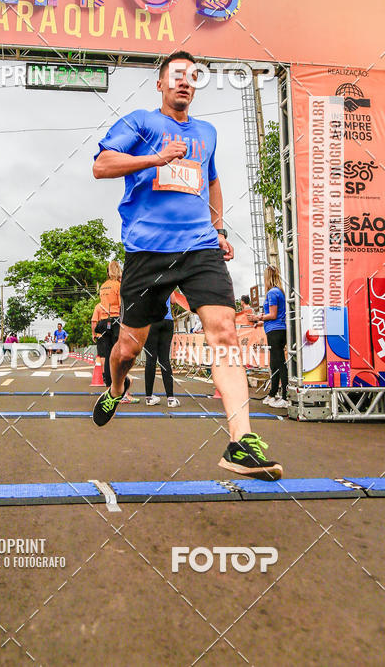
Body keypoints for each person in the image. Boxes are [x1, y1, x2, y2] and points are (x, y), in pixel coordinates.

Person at [91, 50, 282, 480]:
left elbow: (212, 179)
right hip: (147, 252)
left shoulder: (207, 132)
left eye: (191, 77)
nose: (183, 82)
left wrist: (216, 229)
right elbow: (101, 165)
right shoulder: (140, 123)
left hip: (199, 249)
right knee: (127, 350)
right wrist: (155, 159)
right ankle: (116, 388)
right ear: (160, 84)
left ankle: (240, 442)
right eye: (175, 76)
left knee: (225, 330)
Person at [94, 261, 139, 403]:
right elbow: (123, 305)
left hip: (104, 320)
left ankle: (110, 389)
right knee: (120, 356)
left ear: (108, 271)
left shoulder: (103, 286)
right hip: (116, 321)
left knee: (108, 356)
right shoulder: (119, 286)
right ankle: (122, 392)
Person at [250, 266, 288, 408]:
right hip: (277, 329)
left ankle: (285, 396)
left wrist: (257, 317)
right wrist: (260, 321)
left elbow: (272, 315)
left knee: (279, 363)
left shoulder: (272, 293)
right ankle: (273, 393)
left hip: (275, 331)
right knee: (274, 363)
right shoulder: (279, 292)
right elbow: (275, 315)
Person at [144, 295, 179, 407]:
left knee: (151, 359)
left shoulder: (145, 279)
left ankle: (149, 397)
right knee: (164, 360)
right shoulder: (168, 278)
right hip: (167, 320)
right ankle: (171, 398)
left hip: (151, 321)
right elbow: (173, 300)